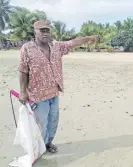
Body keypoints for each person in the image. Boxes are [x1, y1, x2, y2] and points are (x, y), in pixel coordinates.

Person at [18, 20, 97, 153]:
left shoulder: (56, 47)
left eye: (47, 30)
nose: (45, 33)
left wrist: (88, 38)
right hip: (38, 95)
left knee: (53, 121)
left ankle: (48, 143)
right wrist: (22, 92)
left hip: (54, 92)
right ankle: (38, 147)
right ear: (35, 32)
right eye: (41, 30)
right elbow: (22, 71)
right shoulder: (27, 48)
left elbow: (72, 43)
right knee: (40, 124)